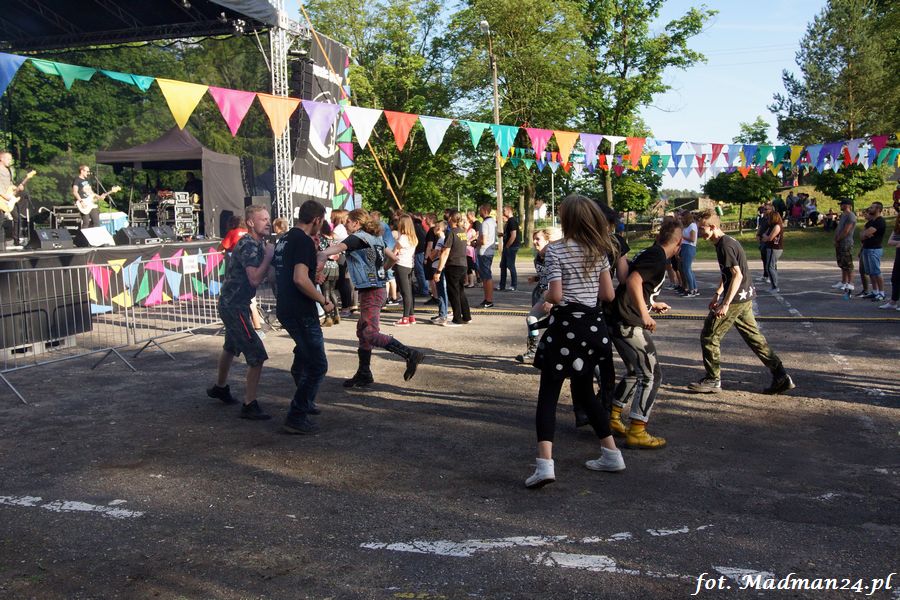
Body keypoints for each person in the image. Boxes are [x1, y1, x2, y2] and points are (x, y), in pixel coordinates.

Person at [525, 194, 625, 489]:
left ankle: (545, 464)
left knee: (549, 394)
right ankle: (611, 453)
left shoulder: (556, 250)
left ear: (566, 219)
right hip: (593, 328)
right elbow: (607, 295)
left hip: (566, 328)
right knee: (584, 391)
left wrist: (546, 297)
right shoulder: (599, 250)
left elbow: (556, 295)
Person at [687, 210, 795, 396]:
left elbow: (737, 275)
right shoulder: (725, 242)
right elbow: (727, 274)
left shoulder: (724, 245)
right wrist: (717, 294)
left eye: (701, 228)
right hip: (744, 297)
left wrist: (725, 304)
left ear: (712, 227)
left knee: (710, 336)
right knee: (754, 338)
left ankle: (713, 380)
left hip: (736, 299)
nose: (699, 232)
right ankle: (781, 376)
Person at [318, 209, 425, 388]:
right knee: (363, 330)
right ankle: (364, 373)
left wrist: (321, 254)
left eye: (348, 221)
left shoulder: (357, 238)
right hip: (376, 289)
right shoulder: (376, 238)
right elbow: (394, 258)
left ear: (357, 223)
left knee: (369, 332)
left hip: (371, 291)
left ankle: (409, 354)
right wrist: (381, 270)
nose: (345, 224)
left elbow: (336, 249)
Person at [607, 219, 682, 449]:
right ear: (678, 243)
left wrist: (651, 303)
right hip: (627, 321)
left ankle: (612, 416)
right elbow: (633, 280)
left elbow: (638, 284)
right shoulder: (657, 257)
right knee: (652, 375)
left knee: (634, 370)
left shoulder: (652, 253)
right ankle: (638, 430)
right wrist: (644, 314)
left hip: (618, 318)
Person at [207, 205, 275, 420]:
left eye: (268, 218)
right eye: (263, 219)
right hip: (234, 305)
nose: (268, 222)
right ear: (251, 223)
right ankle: (249, 404)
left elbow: (264, 276)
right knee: (257, 354)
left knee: (230, 346)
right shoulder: (248, 245)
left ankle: (220, 388)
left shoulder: (257, 243)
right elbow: (254, 279)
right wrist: (269, 257)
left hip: (236, 304)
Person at [272, 200, 332, 435]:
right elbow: (299, 279)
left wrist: (310, 279)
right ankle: (296, 415)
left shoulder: (284, 239)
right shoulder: (304, 241)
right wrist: (323, 300)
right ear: (316, 220)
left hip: (286, 306)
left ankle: (304, 401)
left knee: (304, 352)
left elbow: (274, 275)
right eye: (321, 221)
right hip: (300, 310)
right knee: (318, 364)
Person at [515, 227, 559, 363]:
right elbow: (545, 275)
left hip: (556, 296)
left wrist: (551, 300)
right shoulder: (538, 257)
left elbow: (559, 278)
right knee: (531, 319)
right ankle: (533, 352)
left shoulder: (554, 256)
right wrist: (536, 278)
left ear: (548, 241)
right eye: (533, 239)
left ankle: (559, 356)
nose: (534, 242)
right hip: (543, 294)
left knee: (557, 326)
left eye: (537, 239)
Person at [434, 211, 472, 327]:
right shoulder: (462, 232)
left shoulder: (451, 233)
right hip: (463, 264)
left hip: (453, 265)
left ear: (451, 218)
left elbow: (445, 253)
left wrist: (438, 271)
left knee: (453, 293)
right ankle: (466, 316)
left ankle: (457, 319)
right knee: (460, 291)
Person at [393, 214, 418, 326]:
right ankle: (411, 316)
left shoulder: (402, 238)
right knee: (409, 292)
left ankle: (405, 318)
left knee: (405, 293)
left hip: (401, 265)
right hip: (409, 265)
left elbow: (394, 253)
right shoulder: (413, 237)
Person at [860, 202, 886, 302]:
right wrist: (866, 234)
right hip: (866, 248)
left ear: (878, 209)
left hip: (874, 249)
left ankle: (881, 293)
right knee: (870, 272)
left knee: (876, 272)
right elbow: (862, 235)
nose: (870, 209)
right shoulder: (870, 222)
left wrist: (866, 234)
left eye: (872, 207)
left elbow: (866, 233)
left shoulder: (880, 221)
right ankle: (875, 291)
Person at [879, 195, 900, 310]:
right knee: (895, 278)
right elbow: (890, 241)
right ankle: (893, 302)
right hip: (899, 255)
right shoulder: (897, 229)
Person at [832, 198, 857, 294]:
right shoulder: (843, 215)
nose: (840, 206)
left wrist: (838, 239)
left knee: (848, 263)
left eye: (842, 204)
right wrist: (836, 239)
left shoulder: (851, 216)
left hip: (846, 242)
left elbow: (846, 231)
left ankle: (850, 282)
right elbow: (839, 228)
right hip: (840, 242)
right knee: (842, 263)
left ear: (848, 205)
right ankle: (844, 281)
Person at [318, 221, 340, 326]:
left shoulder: (321, 238)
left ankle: (328, 317)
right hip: (335, 266)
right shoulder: (333, 238)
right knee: (332, 292)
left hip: (325, 267)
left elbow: (321, 252)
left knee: (325, 293)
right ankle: (336, 315)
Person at [476, 204, 497, 307]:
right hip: (490, 251)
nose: (479, 212)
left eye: (480, 210)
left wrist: (475, 243)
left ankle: (488, 300)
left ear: (484, 210)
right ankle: (487, 299)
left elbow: (483, 240)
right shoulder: (493, 222)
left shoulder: (484, 223)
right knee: (486, 276)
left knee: (486, 276)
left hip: (484, 252)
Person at [761, 210, 785, 293]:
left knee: (769, 267)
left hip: (774, 248)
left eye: (770, 217)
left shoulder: (777, 226)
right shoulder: (772, 226)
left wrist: (766, 237)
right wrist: (765, 236)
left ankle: (775, 286)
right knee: (771, 266)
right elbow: (764, 235)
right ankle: (774, 285)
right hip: (771, 247)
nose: (768, 219)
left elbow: (769, 238)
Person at [498, 204, 520, 291]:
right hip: (507, 247)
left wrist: (507, 246)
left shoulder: (512, 221)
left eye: (504, 210)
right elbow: (509, 234)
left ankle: (513, 285)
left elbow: (513, 235)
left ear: (509, 211)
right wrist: (502, 235)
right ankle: (502, 285)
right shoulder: (509, 221)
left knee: (510, 265)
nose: (503, 212)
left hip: (511, 247)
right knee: (503, 265)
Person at [72, 164, 101, 229]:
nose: (88, 173)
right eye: (87, 171)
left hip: (90, 203)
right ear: (82, 171)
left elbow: (91, 192)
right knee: (86, 222)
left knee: (96, 221)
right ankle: (83, 235)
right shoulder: (77, 180)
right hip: (83, 203)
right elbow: (75, 192)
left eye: (88, 171)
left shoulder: (87, 180)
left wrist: (98, 196)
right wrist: (81, 201)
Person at [680, 210, 699, 297]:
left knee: (686, 269)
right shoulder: (686, 226)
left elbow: (692, 239)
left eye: (682, 217)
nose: (681, 219)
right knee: (688, 269)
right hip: (684, 247)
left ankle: (691, 290)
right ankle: (694, 289)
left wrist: (682, 236)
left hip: (689, 247)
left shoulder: (692, 225)